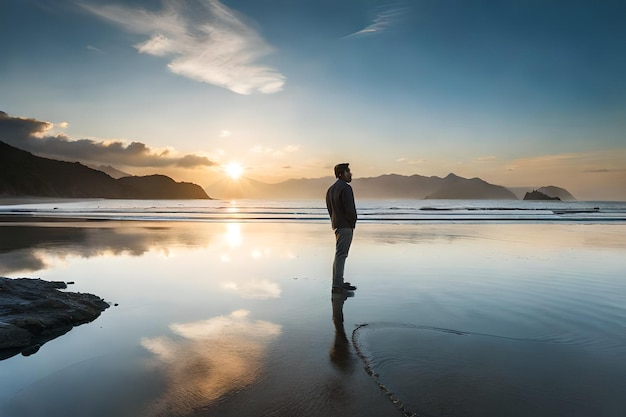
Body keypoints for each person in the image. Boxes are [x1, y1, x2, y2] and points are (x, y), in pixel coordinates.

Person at [326, 163, 357, 293]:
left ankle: (338, 282)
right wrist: (352, 223)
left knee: (339, 254)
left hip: (337, 224)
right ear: (341, 174)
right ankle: (338, 285)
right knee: (341, 254)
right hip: (345, 226)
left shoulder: (331, 189)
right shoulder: (346, 188)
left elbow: (330, 209)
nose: (350, 173)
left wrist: (335, 221)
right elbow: (350, 209)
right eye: (348, 171)